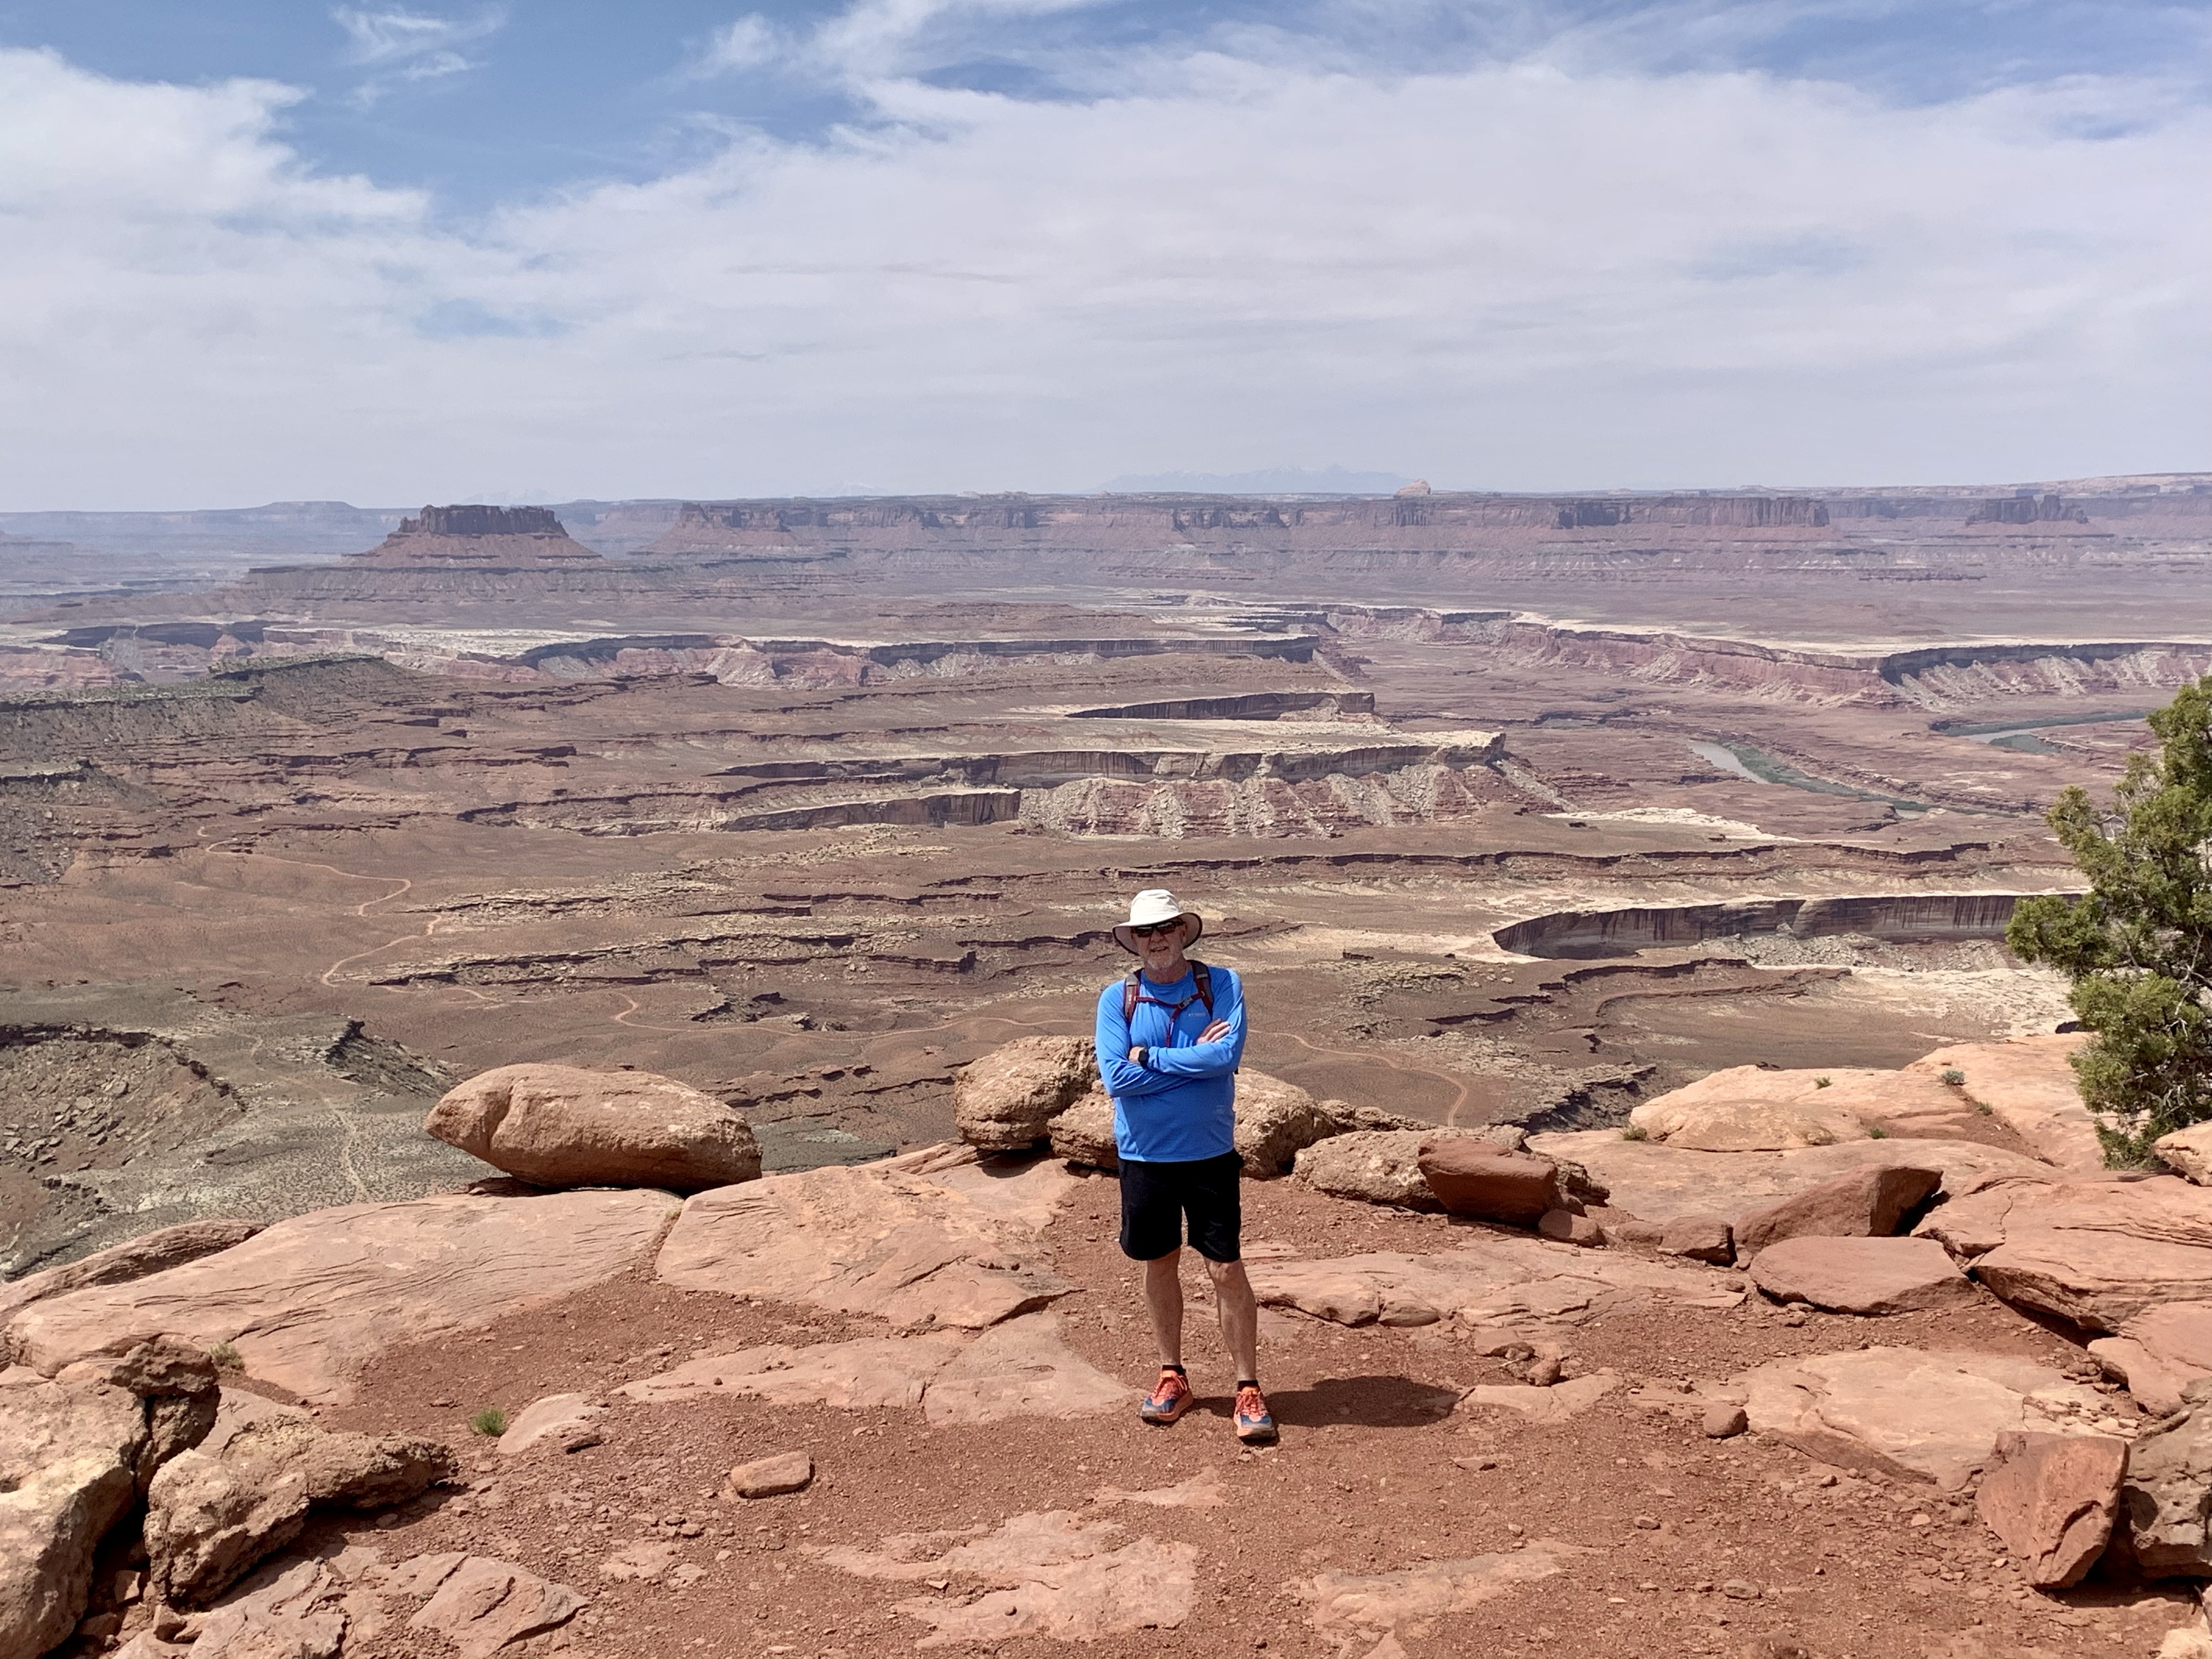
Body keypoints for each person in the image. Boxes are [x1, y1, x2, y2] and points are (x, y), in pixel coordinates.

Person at [1093, 888, 1276, 1444]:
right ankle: (1172, 1374)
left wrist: (1149, 1057)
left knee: (1226, 1269)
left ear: (1182, 932)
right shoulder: (1117, 998)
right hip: (1145, 1156)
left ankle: (1247, 1385)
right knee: (1160, 1263)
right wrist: (1193, 1063)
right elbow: (1115, 1078)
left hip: (1209, 1154)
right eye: (1145, 931)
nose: (1157, 939)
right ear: (1134, 940)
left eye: (1165, 927)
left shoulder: (1221, 985)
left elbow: (1226, 1056)